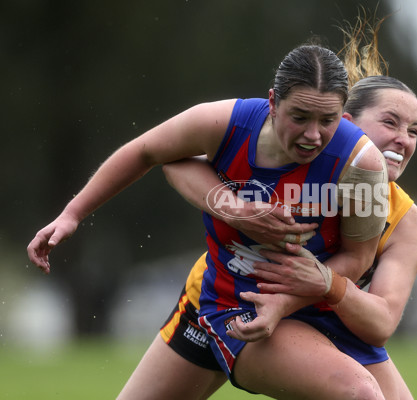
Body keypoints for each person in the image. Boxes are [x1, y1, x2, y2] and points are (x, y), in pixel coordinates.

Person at [27, 36, 390, 400]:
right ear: (273, 104)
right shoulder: (225, 123)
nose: (313, 135)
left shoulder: (363, 164)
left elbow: (358, 258)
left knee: (364, 394)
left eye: (327, 121)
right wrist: (72, 215)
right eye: (300, 117)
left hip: (319, 309)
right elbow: (146, 152)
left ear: (344, 116)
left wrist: (290, 298)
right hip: (236, 304)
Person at [118, 16, 417, 400]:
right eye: (390, 123)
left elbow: (379, 321)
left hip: (324, 314)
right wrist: (229, 207)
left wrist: (328, 286)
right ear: (346, 124)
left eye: (413, 131)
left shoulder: (407, 224)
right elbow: (176, 159)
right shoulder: (298, 156)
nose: (402, 140)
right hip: (231, 299)